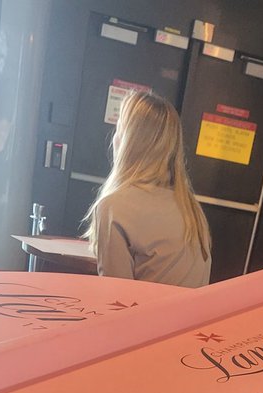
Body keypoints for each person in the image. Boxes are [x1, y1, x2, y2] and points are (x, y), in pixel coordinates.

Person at [85, 91, 211, 287]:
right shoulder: (191, 208)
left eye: (119, 129)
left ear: (128, 142)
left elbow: (116, 298)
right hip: (194, 317)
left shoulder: (113, 208)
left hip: (148, 316)